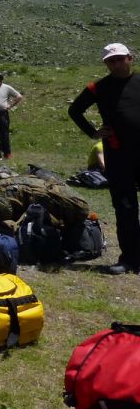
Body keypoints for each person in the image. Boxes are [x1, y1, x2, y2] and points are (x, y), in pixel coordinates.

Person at [68, 42, 140, 276]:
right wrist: (93, 132)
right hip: (118, 155)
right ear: (106, 64)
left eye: (120, 59)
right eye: (111, 61)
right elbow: (74, 110)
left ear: (130, 58)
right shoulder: (98, 87)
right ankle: (129, 260)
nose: (116, 64)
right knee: (125, 208)